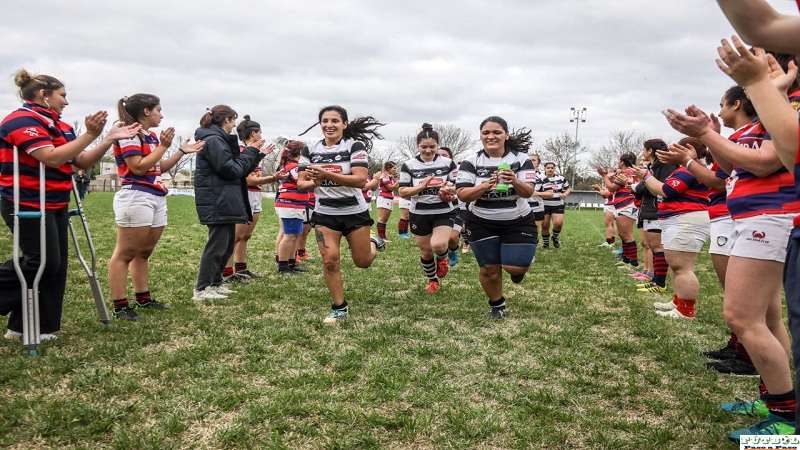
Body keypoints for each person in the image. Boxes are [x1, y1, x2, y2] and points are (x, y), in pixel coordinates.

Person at [666, 96, 798, 440]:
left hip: (769, 216)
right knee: (767, 318)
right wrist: (710, 135)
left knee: (742, 317)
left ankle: (786, 419)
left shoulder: (784, 108)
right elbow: (725, 174)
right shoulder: (761, 119)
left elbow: (765, 164)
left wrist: (705, 135)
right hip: (753, 217)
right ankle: (775, 401)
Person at [0, 69, 139, 340]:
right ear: (44, 95)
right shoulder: (21, 120)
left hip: (56, 200)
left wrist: (108, 138)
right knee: (42, 262)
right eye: (62, 95)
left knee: (56, 265)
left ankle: (30, 326)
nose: (66, 101)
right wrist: (89, 134)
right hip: (26, 201)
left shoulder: (62, 126)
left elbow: (81, 161)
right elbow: (50, 157)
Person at [108, 93, 204, 320]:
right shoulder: (128, 133)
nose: (162, 115)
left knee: (144, 252)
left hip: (155, 195)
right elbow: (137, 167)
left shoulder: (149, 135)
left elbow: (158, 167)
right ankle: (120, 306)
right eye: (158, 110)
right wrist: (163, 146)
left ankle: (143, 298)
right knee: (125, 253)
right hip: (136, 196)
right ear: (146, 111)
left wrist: (180, 151)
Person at [296, 105, 386, 324]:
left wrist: (326, 174)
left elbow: (360, 180)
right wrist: (315, 182)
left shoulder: (354, 146)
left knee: (363, 262)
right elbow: (301, 184)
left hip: (354, 213)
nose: (329, 125)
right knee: (330, 261)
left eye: (335, 121)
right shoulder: (310, 150)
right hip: (324, 214)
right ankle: (339, 307)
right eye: (325, 121)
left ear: (344, 124)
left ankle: (373, 242)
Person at [456, 117, 536, 319]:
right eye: (486, 133)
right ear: (481, 136)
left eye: (497, 132)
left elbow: (528, 192)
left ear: (506, 135)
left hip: (517, 220)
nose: (491, 136)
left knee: (514, 267)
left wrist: (515, 181)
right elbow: (462, 194)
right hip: (481, 221)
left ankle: (518, 269)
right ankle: (497, 305)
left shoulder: (521, 159)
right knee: (489, 269)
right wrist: (484, 186)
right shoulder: (471, 161)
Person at [192, 106, 271, 301]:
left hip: (225, 197)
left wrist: (256, 154)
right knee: (216, 245)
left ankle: (215, 282)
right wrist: (251, 151)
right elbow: (231, 170)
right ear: (225, 120)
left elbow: (239, 169)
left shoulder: (220, 139)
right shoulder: (213, 140)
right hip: (217, 198)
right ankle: (202, 288)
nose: (235, 125)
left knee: (226, 245)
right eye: (233, 120)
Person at [635, 137, 711, 318]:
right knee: (677, 266)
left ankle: (686, 310)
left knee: (682, 267)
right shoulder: (684, 169)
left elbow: (667, 191)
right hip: (679, 219)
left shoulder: (689, 169)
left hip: (686, 220)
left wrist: (646, 176)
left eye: (675, 149)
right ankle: (679, 301)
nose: (671, 153)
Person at [398, 124, 458, 294]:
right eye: (424, 147)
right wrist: (421, 186)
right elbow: (402, 191)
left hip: (443, 211)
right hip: (419, 213)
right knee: (426, 251)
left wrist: (449, 189)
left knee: (438, 245)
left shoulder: (448, 163)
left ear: (438, 145)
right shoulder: (408, 165)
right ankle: (432, 280)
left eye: (432, 146)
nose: (428, 150)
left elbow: (457, 185)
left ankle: (443, 258)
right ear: (417, 146)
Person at [223, 115, 281, 281]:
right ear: (253, 133)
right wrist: (272, 178)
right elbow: (248, 180)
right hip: (244, 194)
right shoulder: (241, 151)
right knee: (235, 236)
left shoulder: (256, 152)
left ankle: (241, 268)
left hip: (255, 194)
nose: (261, 135)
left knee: (245, 236)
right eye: (259, 132)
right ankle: (227, 272)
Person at [632, 139, 677, 291]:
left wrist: (642, 184)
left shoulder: (665, 165)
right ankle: (656, 281)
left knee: (658, 247)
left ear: (650, 150)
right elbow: (643, 188)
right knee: (653, 246)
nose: (642, 153)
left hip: (657, 211)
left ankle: (659, 283)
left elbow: (661, 188)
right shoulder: (654, 166)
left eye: (644, 149)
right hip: (650, 210)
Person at [274, 140, 310, 274]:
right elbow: (301, 180)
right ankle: (283, 266)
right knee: (289, 235)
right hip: (290, 204)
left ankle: (291, 262)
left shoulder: (290, 165)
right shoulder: (294, 167)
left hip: (295, 204)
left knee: (295, 234)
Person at [603, 153, 641, 271]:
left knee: (627, 234)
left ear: (622, 162)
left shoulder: (627, 172)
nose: (618, 163)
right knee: (623, 234)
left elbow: (611, 188)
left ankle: (633, 262)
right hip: (622, 205)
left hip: (627, 204)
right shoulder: (629, 172)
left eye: (619, 161)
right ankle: (626, 259)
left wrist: (604, 176)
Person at [437, 146, 462, 268]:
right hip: (438, 210)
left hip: (457, 208)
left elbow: (463, 188)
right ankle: (441, 258)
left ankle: (453, 251)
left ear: (450, 158)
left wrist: (452, 194)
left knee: (452, 237)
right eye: (438, 155)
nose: (441, 157)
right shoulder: (431, 172)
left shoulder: (458, 172)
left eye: (444, 155)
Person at [536, 163, 571, 248]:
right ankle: (546, 244)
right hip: (544, 205)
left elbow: (568, 188)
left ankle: (555, 237)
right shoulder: (540, 178)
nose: (550, 169)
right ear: (544, 169)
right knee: (545, 226)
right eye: (548, 168)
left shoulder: (561, 178)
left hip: (558, 204)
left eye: (552, 168)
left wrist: (565, 194)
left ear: (554, 169)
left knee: (558, 224)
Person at [374, 161, 398, 241]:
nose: (395, 170)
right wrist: (398, 181)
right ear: (388, 168)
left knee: (385, 219)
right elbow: (390, 187)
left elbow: (394, 187)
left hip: (388, 198)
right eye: (394, 168)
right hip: (384, 198)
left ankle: (383, 237)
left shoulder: (390, 176)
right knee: (382, 219)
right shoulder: (384, 176)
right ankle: (381, 238)